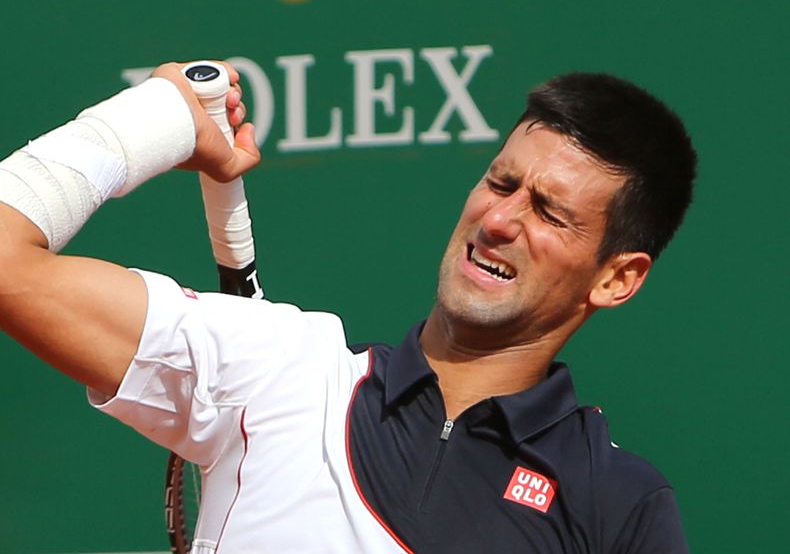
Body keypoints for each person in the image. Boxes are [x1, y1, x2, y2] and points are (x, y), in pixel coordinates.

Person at [0, 61, 696, 553]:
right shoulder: (274, 365)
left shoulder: (619, 506)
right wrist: (147, 122)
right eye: (500, 182)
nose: (499, 220)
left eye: (548, 212)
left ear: (616, 278)